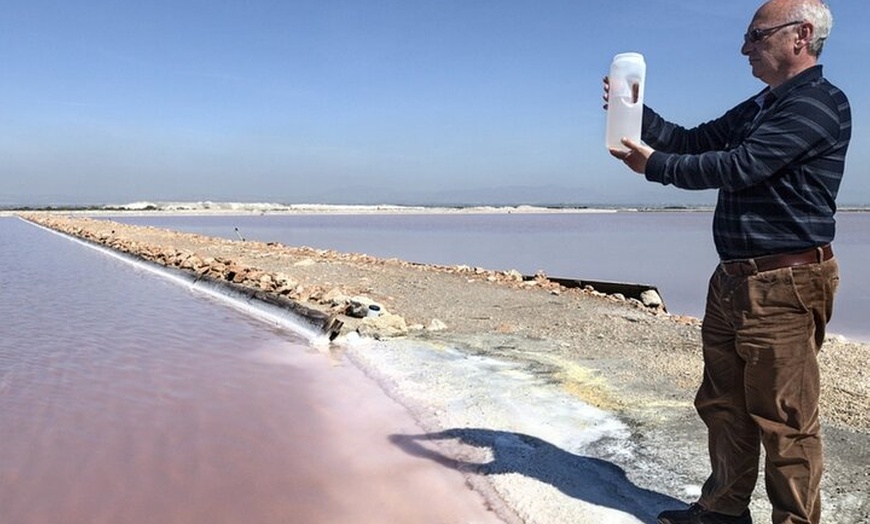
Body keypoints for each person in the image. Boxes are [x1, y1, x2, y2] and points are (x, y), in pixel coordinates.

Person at [604, 0, 851, 523]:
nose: (744, 47)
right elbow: (696, 141)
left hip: (786, 281)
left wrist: (655, 166)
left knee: (785, 422)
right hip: (734, 278)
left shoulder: (818, 104)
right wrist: (631, 113)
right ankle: (722, 511)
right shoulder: (763, 104)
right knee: (723, 405)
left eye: (755, 35)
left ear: (800, 35)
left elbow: (740, 166)